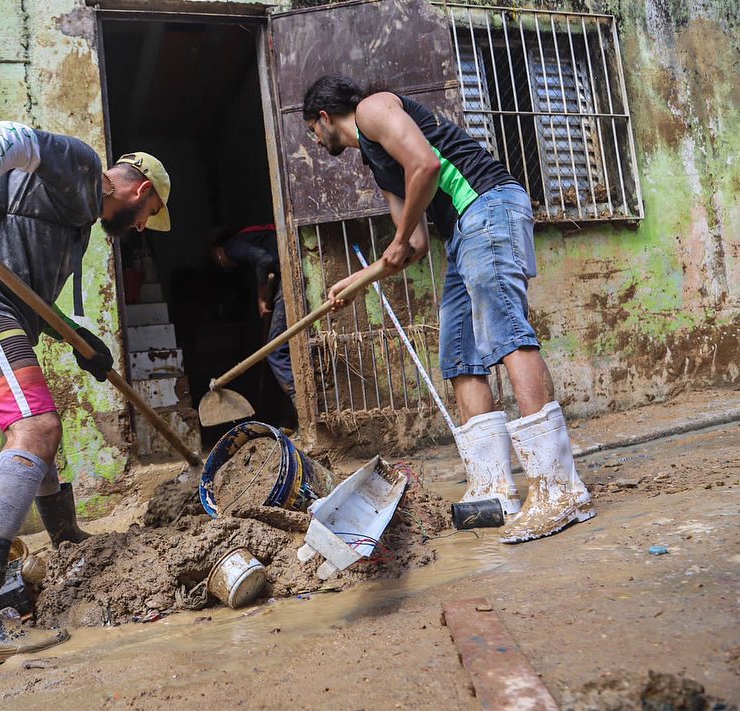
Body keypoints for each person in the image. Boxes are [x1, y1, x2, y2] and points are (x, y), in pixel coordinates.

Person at [0, 121, 171, 668]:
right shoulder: (81, 167)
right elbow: (8, 136)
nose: (143, 227)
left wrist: (81, 343)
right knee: (37, 427)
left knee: (39, 427)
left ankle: (67, 535)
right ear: (141, 191)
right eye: (149, 216)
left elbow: (25, 286)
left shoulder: (75, 225)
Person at [302, 76, 594, 544]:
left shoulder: (374, 110)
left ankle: (559, 490)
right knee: (459, 353)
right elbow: (413, 244)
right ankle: (495, 491)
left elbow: (426, 164)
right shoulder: (378, 167)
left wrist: (396, 243)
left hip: (488, 205)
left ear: (322, 117)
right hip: (461, 233)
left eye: (312, 131)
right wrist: (360, 282)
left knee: (505, 333)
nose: (315, 141)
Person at [211, 224, 297, 412]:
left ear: (218, 251)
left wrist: (261, 297)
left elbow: (264, 260)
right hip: (288, 271)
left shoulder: (231, 247)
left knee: (275, 348)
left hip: (292, 272)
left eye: (217, 260)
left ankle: (301, 403)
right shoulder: (249, 239)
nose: (224, 265)